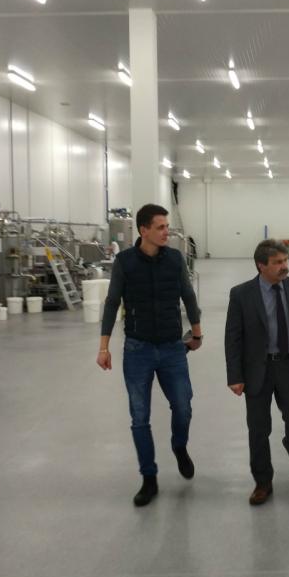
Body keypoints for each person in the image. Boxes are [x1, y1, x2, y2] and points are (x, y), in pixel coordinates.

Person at [96, 203, 202, 507]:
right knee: (139, 417)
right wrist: (103, 347)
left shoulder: (175, 259)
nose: (167, 232)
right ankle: (149, 477)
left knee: (183, 406)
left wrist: (196, 333)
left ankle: (179, 446)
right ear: (143, 230)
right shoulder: (125, 262)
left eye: (167, 226)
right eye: (160, 227)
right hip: (137, 349)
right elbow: (112, 302)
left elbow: (188, 295)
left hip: (172, 348)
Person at [225, 239, 289, 505]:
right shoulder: (241, 294)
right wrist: (235, 376)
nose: (284, 266)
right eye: (277, 262)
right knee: (258, 428)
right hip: (258, 368)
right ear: (260, 265)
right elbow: (233, 337)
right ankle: (263, 482)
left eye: (285, 261)